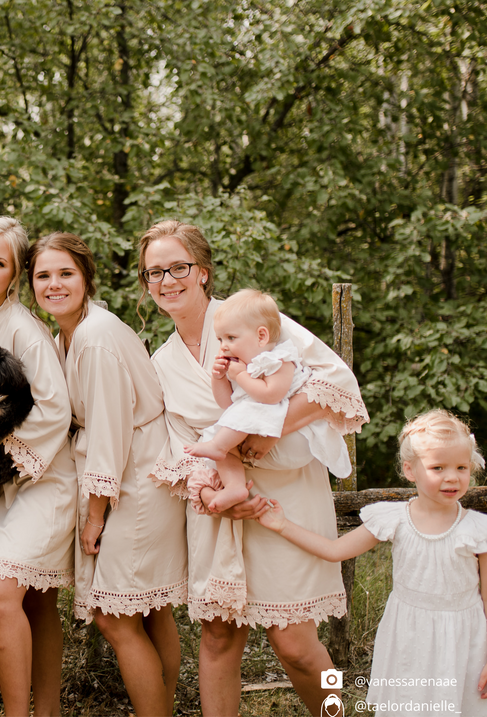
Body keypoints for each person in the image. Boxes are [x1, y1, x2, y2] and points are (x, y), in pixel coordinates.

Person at [139, 219, 368, 715]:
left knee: (297, 647)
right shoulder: (161, 361)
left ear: (202, 272)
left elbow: (338, 381)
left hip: (287, 497)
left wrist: (271, 429)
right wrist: (209, 494)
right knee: (219, 637)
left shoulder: (251, 319)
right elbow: (180, 444)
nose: (167, 281)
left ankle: (337, 714)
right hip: (221, 506)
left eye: (178, 267)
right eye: (153, 272)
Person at [29, 232, 187, 716]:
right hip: (136, 468)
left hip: (136, 479)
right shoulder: (65, 334)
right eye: (43, 276)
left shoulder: (96, 338)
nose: (54, 284)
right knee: (150, 609)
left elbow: (108, 432)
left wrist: (95, 514)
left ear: (86, 278)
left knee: (115, 619)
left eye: (65, 274)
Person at [258, 409, 487, 715]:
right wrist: (283, 526)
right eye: (437, 467)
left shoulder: (480, 531)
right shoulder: (395, 519)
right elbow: (335, 550)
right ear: (410, 469)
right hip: (410, 638)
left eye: (461, 467)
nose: (452, 477)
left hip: (463, 643)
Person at [0, 217, 74, 717]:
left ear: (16, 272)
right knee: (37, 600)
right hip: (7, 484)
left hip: (42, 477)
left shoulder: (24, 329)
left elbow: (54, 410)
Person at [183, 289, 349, 512]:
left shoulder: (277, 359)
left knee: (224, 435)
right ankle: (235, 487)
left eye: (231, 338)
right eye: (220, 339)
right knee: (223, 442)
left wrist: (241, 375)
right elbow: (227, 404)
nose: (223, 345)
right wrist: (219, 378)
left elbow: (273, 396)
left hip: (294, 436)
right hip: (263, 423)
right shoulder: (245, 363)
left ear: (261, 336)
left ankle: (218, 447)